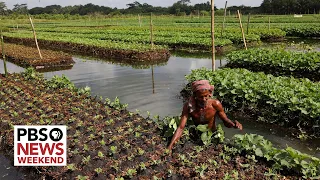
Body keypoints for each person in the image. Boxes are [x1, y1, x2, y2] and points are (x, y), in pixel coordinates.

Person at [168, 80, 243, 150]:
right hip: (196, 136)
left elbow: (225, 121)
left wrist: (233, 124)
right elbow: (181, 128)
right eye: (200, 97)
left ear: (210, 94)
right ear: (195, 96)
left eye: (206, 96)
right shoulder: (189, 106)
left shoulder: (215, 104)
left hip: (212, 135)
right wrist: (170, 147)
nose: (204, 99)